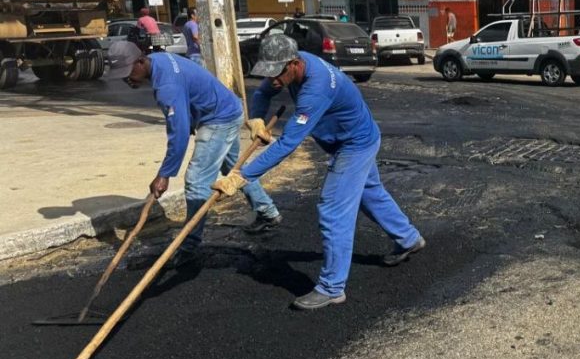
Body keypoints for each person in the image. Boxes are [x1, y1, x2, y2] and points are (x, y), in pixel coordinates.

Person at [213, 35, 425, 310]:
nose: (272, 80)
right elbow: (264, 92)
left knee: (333, 207)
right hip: (349, 139)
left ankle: (332, 287)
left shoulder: (316, 89)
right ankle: (408, 238)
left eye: (276, 74)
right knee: (369, 193)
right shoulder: (291, 67)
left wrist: (243, 175)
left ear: (293, 64)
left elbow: (289, 142)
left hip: (355, 144)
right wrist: (257, 118)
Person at [105, 41, 282, 265]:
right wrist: (187, 119)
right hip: (226, 109)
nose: (127, 79)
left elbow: (177, 134)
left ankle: (189, 245)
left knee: (197, 180)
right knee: (234, 169)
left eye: (128, 72)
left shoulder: (165, 84)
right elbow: (184, 96)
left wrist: (165, 174)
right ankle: (268, 213)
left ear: (140, 61)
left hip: (219, 119)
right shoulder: (158, 61)